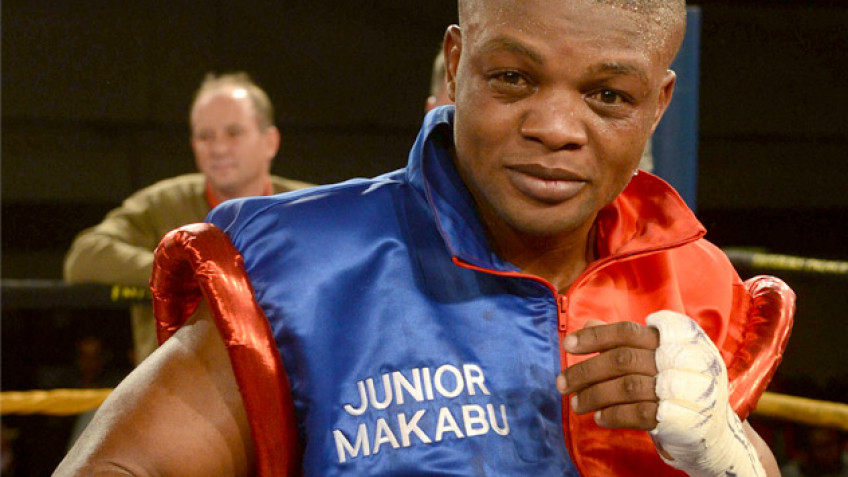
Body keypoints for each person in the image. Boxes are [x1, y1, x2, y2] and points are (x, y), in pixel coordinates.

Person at [54, 1, 787, 475]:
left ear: (658, 103)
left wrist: (729, 457)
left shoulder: (695, 284)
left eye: (608, 95)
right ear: (458, 66)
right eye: (514, 77)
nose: (556, 129)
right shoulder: (303, 274)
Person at [63, 72, 312, 364]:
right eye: (205, 136)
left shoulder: (308, 206)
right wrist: (181, 271)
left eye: (233, 133)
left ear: (270, 141)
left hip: (292, 381)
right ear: (194, 145)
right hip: (176, 383)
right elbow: (84, 256)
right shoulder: (160, 204)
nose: (218, 148)